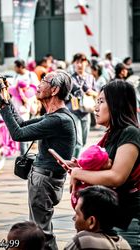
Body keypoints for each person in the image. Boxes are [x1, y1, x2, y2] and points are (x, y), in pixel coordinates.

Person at [0, 70, 77, 250]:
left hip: (44, 182)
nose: (38, 85)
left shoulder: (59, 120)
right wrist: (6, 99)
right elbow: (22, 125)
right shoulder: (56, 116)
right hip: (45, 180)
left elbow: (17, 134)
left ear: (54, 90)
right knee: (42, 230)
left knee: (41, 233)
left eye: (43, 81)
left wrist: (2, 102)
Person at [62, 80, 140, 250]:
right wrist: (78, 166)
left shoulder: (130, 133)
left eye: (102, 101)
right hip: (110, 215)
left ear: (117, 104)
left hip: (128, 219)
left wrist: (78, 173)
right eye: (96, 101)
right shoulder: (111, 135)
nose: (95, 108)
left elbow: (116, 177)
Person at [64, 185, 131, 250]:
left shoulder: (82, 240)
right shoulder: (125, 244)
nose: (74, 218)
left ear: (92, 222)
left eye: (77, 214)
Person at [67, 53, 97, 158]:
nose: (80, 64)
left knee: (84, 141)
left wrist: (91, 92)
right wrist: (86, 90)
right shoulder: (71, 78)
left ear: (87, 63)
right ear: (74, 63)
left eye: (82, 62)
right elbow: (77, 89)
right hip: (74, 111)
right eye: (77, 62)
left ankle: (74, 158)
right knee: (78, 143)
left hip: (86, 111)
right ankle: (74, 164)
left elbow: (96, 92)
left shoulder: (90, 77)